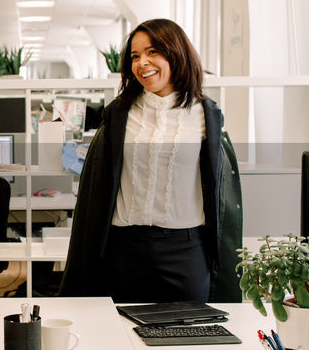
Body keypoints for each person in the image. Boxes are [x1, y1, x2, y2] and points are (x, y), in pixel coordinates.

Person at [60, 18, 241, 303]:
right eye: (135, 56)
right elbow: (97, 187)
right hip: (125, 248)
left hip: (186, 249)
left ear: (176, 53)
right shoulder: (119, 114)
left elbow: (220, 194)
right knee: (123, 336)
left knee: (190, 337)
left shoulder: (205, 116)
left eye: (152, 51)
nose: (142, 62)